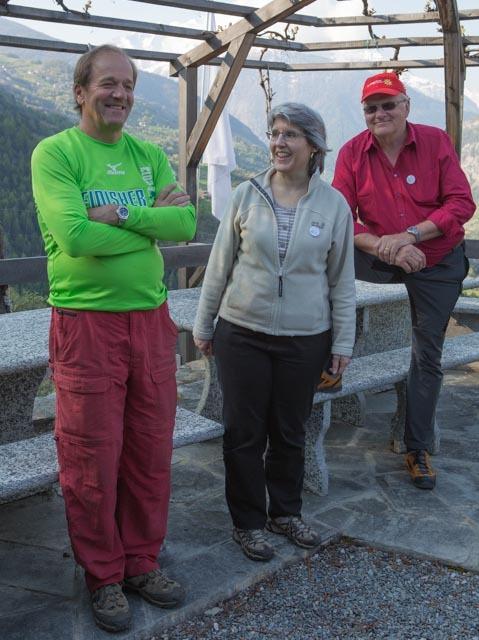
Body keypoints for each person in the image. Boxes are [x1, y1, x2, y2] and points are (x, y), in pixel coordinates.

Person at [31, 45, 196, 633]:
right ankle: (103, 575)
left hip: (150, 320)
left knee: (150, 449)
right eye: (108, 83)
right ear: (81, 92)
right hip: (86, 325)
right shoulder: (56, 153)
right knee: (91, 456)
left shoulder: (147, 154)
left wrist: (121, 216)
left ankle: (141, 562)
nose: (120, 94)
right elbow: (76, 238)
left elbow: (186, 223)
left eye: (128, 85)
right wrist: (151, 223)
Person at [193, 103, 356, 562]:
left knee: (289, 431)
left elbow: (341, 281)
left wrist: (343, 342)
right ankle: (248, 523)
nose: (279, 143)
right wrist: (204, 324)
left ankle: (285, 512)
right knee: (243, 433)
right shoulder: (246, 196)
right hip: (242, 332)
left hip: (305, 338)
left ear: (314, 146)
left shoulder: (334, 205)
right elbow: (218, 267)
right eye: (275, 133)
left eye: (290, 135)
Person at [332, 71, 475, 491]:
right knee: (321, 268)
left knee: (426, 352)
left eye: (388, 104)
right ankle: (329, 364)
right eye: (371, 108)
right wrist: (385, 246)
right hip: (382, 255)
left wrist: (411, 236)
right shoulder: (352, 153)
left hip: (436, 258)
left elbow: (461, 203)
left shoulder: (434, 142)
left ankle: (417, 448)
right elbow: (341, 217)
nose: (380, 113)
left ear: (406, 106)